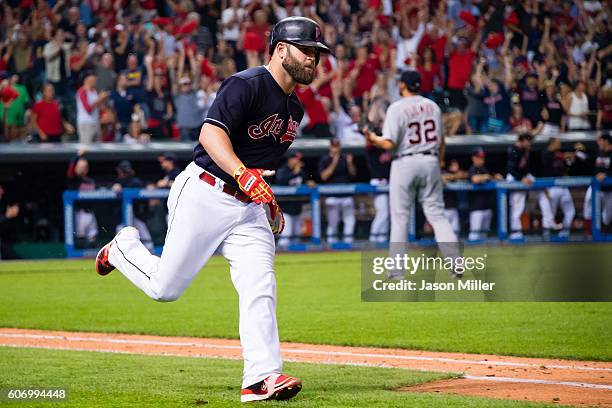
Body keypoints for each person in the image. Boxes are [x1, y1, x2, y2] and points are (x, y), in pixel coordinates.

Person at [94, 16, 330, 402]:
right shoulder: (247, 84)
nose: (313, 60)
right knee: (164, 289)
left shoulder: (295, 110)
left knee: (260, 285)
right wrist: (243, 174)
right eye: (306, 51)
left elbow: (258, 167)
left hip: (248, 208)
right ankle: (123, 248)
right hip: (205, 191)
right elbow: (211, 133)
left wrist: (267, 197)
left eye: (317, 54)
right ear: (281, 49)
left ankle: (260, 378)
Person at [365, 70, 462, 278]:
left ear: (403, 85)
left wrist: (372, 138)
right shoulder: (433, 106)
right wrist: (439, 162)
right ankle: (456, 263)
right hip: (430, 159)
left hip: (405, 162)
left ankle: (396, 270)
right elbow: (442, 141)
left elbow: (389, 143)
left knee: (400, 217)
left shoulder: (397, 108)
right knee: (437, 214)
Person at [319, 138, 357, 244]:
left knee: (350, 221)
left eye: (337, 146)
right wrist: (334, 162)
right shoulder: (325, 159)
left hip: (346, 195)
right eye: (333, 146)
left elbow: (353, 174)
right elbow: (324, 176)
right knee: (333, 223)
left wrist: (350, 163)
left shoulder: (345, 158)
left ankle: (348, 243)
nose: (335, 148)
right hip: (332, 196)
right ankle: (331, 244)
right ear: (330, 147)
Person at [112, 160, 154, 251]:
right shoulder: (116, 181)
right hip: (122, 217)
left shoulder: (134, 181)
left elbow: (141, 185)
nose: (123, 172)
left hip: (135, 215)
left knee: (148, 243)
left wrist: (149, 185)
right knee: (119, 241)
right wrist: (114, 187)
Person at [538, 137, 575, 237]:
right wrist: (567, 155)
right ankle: (546, 235)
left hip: (562, 185)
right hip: (551, 186)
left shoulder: (558, 154)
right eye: (558, 143)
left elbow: (564, 166)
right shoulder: (546, 153)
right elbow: (556, 157)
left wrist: (568, 162)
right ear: (552, 143)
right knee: (550, 212)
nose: (560, 145)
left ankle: (564, 232)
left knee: (570, 210)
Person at [275, 151, 311, 246]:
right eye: (296, 159)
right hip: (285, 209)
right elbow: (281, 180)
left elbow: (307, 180)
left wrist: (309, 182)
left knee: (297, 236)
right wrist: (296, 171)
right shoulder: (283, 170)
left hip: (297, 208)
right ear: (290, 159)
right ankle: (282, 258)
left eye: (299, 159)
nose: (298, 161)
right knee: (286, 236)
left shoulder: (300, 171)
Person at [468, 147, 502, 241]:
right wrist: (486, 177)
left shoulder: (484, 169)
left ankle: (481, 255)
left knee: (483, 238)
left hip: (487, 207)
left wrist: (494, 177)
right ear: (473, 158)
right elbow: (474, 179)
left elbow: (491, 177)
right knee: (474, 236)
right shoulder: (472, 169)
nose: (481, 159)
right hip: (476, 209)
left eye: (482, 157)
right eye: (479, 157)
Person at [506, 133, 535, 240]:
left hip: (520, 178)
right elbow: (511, 169)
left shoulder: (524, 150)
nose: (530, 144)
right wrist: (521, 178)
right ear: (522, 141)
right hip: (514, 179)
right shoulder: (513, 149)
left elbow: (525, 168)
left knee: (519, 207)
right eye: (528, 141)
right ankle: (515, 234)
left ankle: (517, 233)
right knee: (515, 208)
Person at [67, 151, 99, 247]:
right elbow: (71, 169)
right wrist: (77, 155)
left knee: (93, 238)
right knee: (79, 239)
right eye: (80, 167)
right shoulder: (73, 179)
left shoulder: (91, 180)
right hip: (78, 214)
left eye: (84, 167)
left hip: (90, 213)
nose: (82, 169)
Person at [76, 72, 109, 143]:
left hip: (96, 123)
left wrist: (103, 100)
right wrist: (99, 99)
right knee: (86, 149)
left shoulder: (94, 91)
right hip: (86, 124)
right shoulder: (82, 91)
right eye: (94, 79)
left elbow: (99, 107)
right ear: (87, 79)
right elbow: (88, 109)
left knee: (98, 150)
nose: (96, 80)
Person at [441, 159, 467, 235]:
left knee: (455, 233)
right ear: (449, 167)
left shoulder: (459, 175)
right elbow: (443, 178)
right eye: (454, 165)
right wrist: (455, 176)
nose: (456, 167)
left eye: (456, 165)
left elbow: (465, 175)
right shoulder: (444, 173)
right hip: (444, 210)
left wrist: (458, 176)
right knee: (443, 234)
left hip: (454, 209)